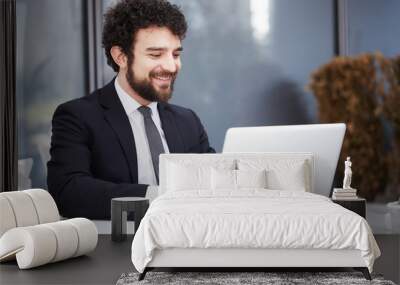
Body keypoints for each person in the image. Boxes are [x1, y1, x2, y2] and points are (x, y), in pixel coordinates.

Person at [47, 0, 215, 219]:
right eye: (156, 55)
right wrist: (156, 196)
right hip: (115, 246)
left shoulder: (187, 121)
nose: (171, 66)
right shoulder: (78, 116)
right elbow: (69, 192)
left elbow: (214, 183)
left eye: (175, 54)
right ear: (121, 57)